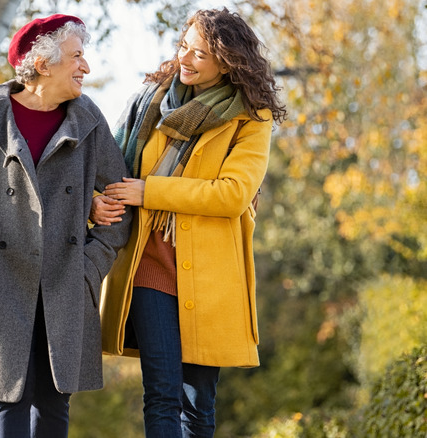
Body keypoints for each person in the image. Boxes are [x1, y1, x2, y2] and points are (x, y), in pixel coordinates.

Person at [0, 14, 132, 437]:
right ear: (42, 64)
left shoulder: (88, 120)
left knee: (54, 403)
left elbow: (122, 199)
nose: (86, 66)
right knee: (8, 399)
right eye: (76, 56)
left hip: (64, 281)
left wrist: (90, 267)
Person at [92, 8, 287, 438]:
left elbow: (232, 194)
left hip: (211, 274)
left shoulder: (251, 118)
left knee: (198, 405)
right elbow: (106, 170)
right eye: (184, 46)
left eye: (199, 54)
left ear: (228, 63)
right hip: (148, 263)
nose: (185, 58)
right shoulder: (150, 100)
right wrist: (94, 203)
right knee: (162, 393)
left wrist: (151, 192)